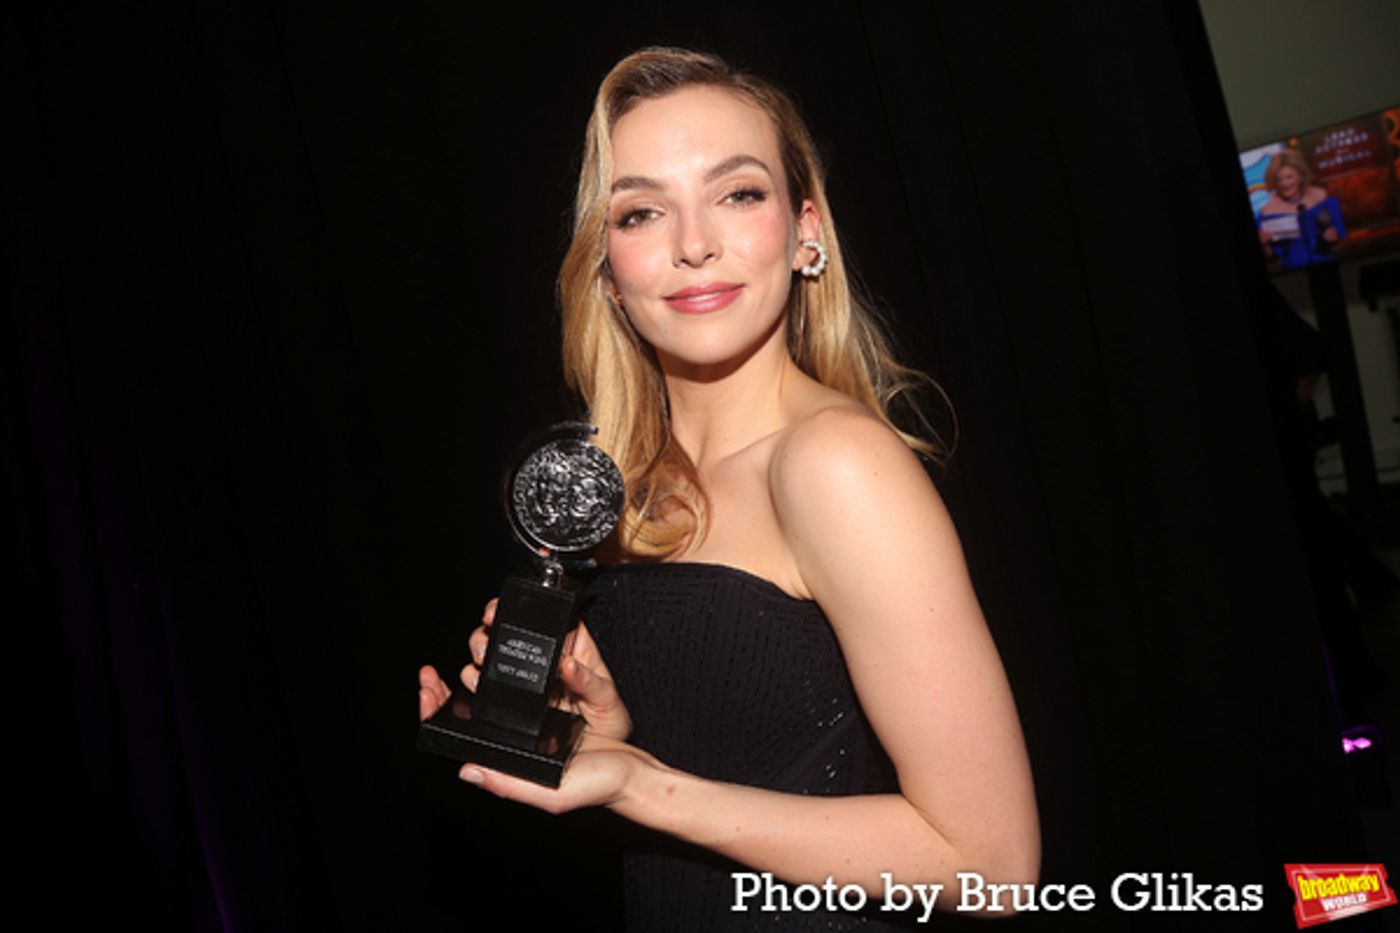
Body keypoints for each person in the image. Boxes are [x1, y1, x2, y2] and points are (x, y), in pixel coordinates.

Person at [419, 46, 1039, 928]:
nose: (694, 242)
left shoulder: (836, 465)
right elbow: (752, 745)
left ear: (806, 228)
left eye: (738, 192)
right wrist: (606, 731)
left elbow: (992, 865)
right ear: (607, 265)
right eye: (641, 212)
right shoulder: (631, 484)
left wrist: (641, 784)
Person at [1256, 148, 1346, 270]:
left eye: (1289, 177)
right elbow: (1271, 257)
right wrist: (1265, 245)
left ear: (1300, 175)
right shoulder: (1268, 213)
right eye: (1279, 179)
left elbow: (1341, 238)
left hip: (1329, 267)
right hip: (1295, 275)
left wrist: (1331, 237)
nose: (1284, 184)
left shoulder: (1323, 199)